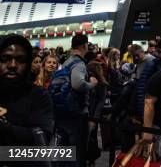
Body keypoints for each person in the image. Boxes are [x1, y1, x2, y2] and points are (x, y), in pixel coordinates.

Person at [53, 34, 99, 166]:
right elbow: (78, 84)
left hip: (62, 111)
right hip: (76, 113)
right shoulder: (79, 63)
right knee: (77, 152)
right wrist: (92, 84)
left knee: (64, 151)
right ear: (85, 46)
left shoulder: (66, 62)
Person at [0, 34, 53, 145]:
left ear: (28, 63)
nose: (12, 65)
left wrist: (6, 127)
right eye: (5, 59)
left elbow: (43, 137)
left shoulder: (39, 95)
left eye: (20, 60)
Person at [86, 61, 108, 166]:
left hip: (91, 115)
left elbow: (100, 103)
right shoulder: (87, 81)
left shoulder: (102, 84)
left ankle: (91, 160)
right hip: (87, 114)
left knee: (91, 139)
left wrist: (94, 119)